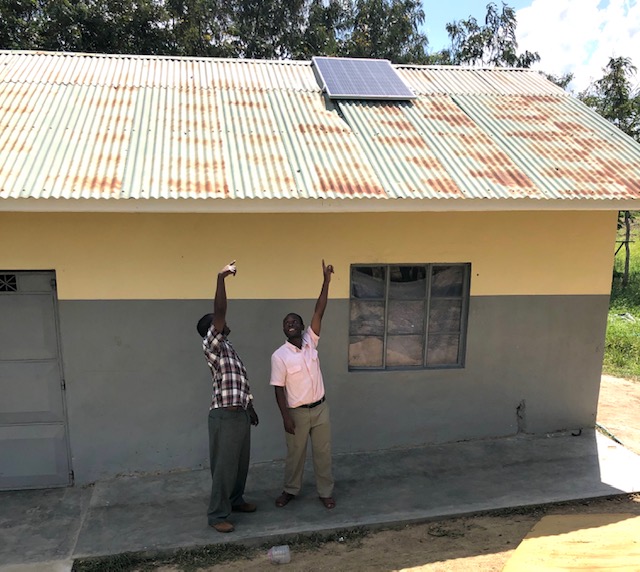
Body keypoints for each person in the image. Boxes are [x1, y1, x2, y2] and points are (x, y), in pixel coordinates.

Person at [197, 260, 259, 533]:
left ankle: (235, 500)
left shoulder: (229, 349)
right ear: (212, 329)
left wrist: (251, 408)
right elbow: (219, 310)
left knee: (240, 463)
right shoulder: (212, 346)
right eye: (217, 324)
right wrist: (221, 277)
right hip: (223, 415)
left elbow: (239, 382)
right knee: (224, 467)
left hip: (240, 413)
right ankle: (216, 515)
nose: (224, 323)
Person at [271, 260, 336, 510]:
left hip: (320, 409)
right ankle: (290, 490)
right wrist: (285, 417)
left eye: (293, 322)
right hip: (296, 413)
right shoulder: (280, 356)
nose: (290, 325)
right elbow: (278, 389)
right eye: (286, 323)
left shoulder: (311, 341)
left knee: (323, 453)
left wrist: (326, 282)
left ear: (301, 326)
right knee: (295, 455)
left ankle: (325, 491)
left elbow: (319, 310)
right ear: (285, 330)